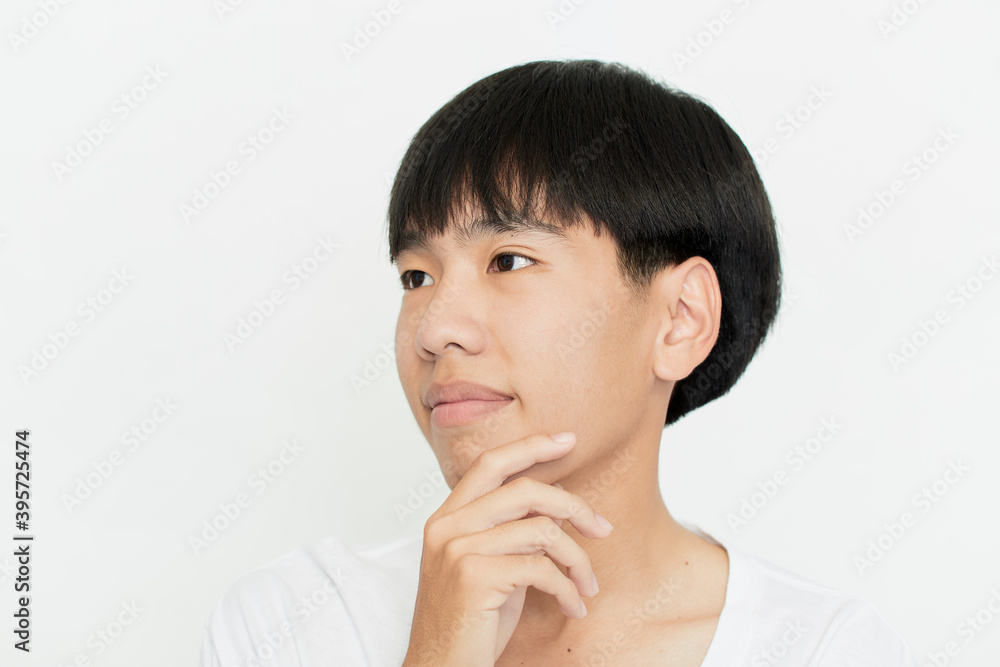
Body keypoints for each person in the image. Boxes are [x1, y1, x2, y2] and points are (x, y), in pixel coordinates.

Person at [199, 59, 917, 666]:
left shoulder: (823, 648)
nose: (436, 328)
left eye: (508, 260)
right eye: (416, 276)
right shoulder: (292, 623)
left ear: (680, 319)